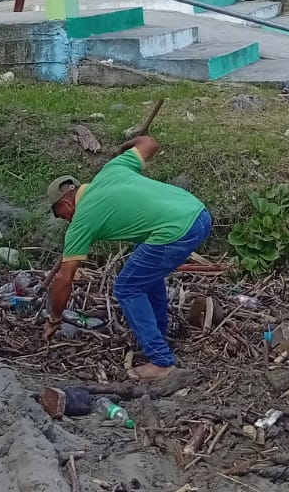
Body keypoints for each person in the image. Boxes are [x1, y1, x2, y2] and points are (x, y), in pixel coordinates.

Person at [42, 136, 212, 381]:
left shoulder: (81, 221)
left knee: (127, 287)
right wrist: (124, 148)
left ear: (65, 202)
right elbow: (150, 143)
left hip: (175, 230)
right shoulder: (112, 168)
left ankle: (161, 362)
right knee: (146, 276)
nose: (63, 220)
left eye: (60, 215)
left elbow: (64, 279)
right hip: (198, 213)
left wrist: (55, 318)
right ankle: (158, 335)